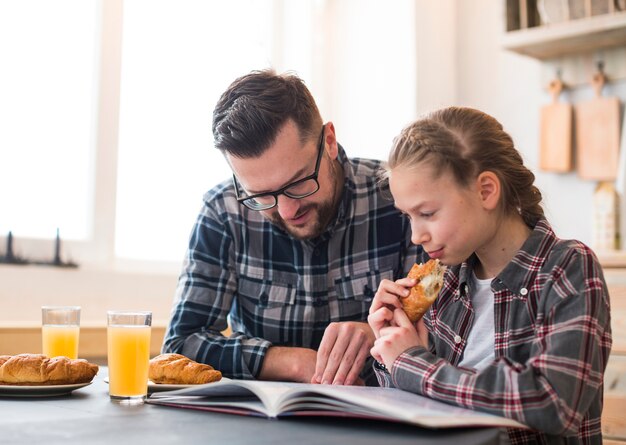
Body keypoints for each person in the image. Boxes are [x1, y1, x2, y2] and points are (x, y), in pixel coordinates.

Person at [162, 69, 424, 386]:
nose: (287, 211)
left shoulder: (398, 199)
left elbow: (447, 327)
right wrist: (296, 363)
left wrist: (377, 332)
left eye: (298, 183)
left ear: (328, 141)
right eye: (260, 195)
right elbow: (182, 345)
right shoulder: (223, 210)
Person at [368, 107, 612, 443]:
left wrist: (412, 362)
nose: (415, 235)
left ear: (486, 190)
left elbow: (553, 403)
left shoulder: (568, 267)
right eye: (409, 216)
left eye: (427, 213)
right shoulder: (446, 281)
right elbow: (425, 403)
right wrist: (391, 346)